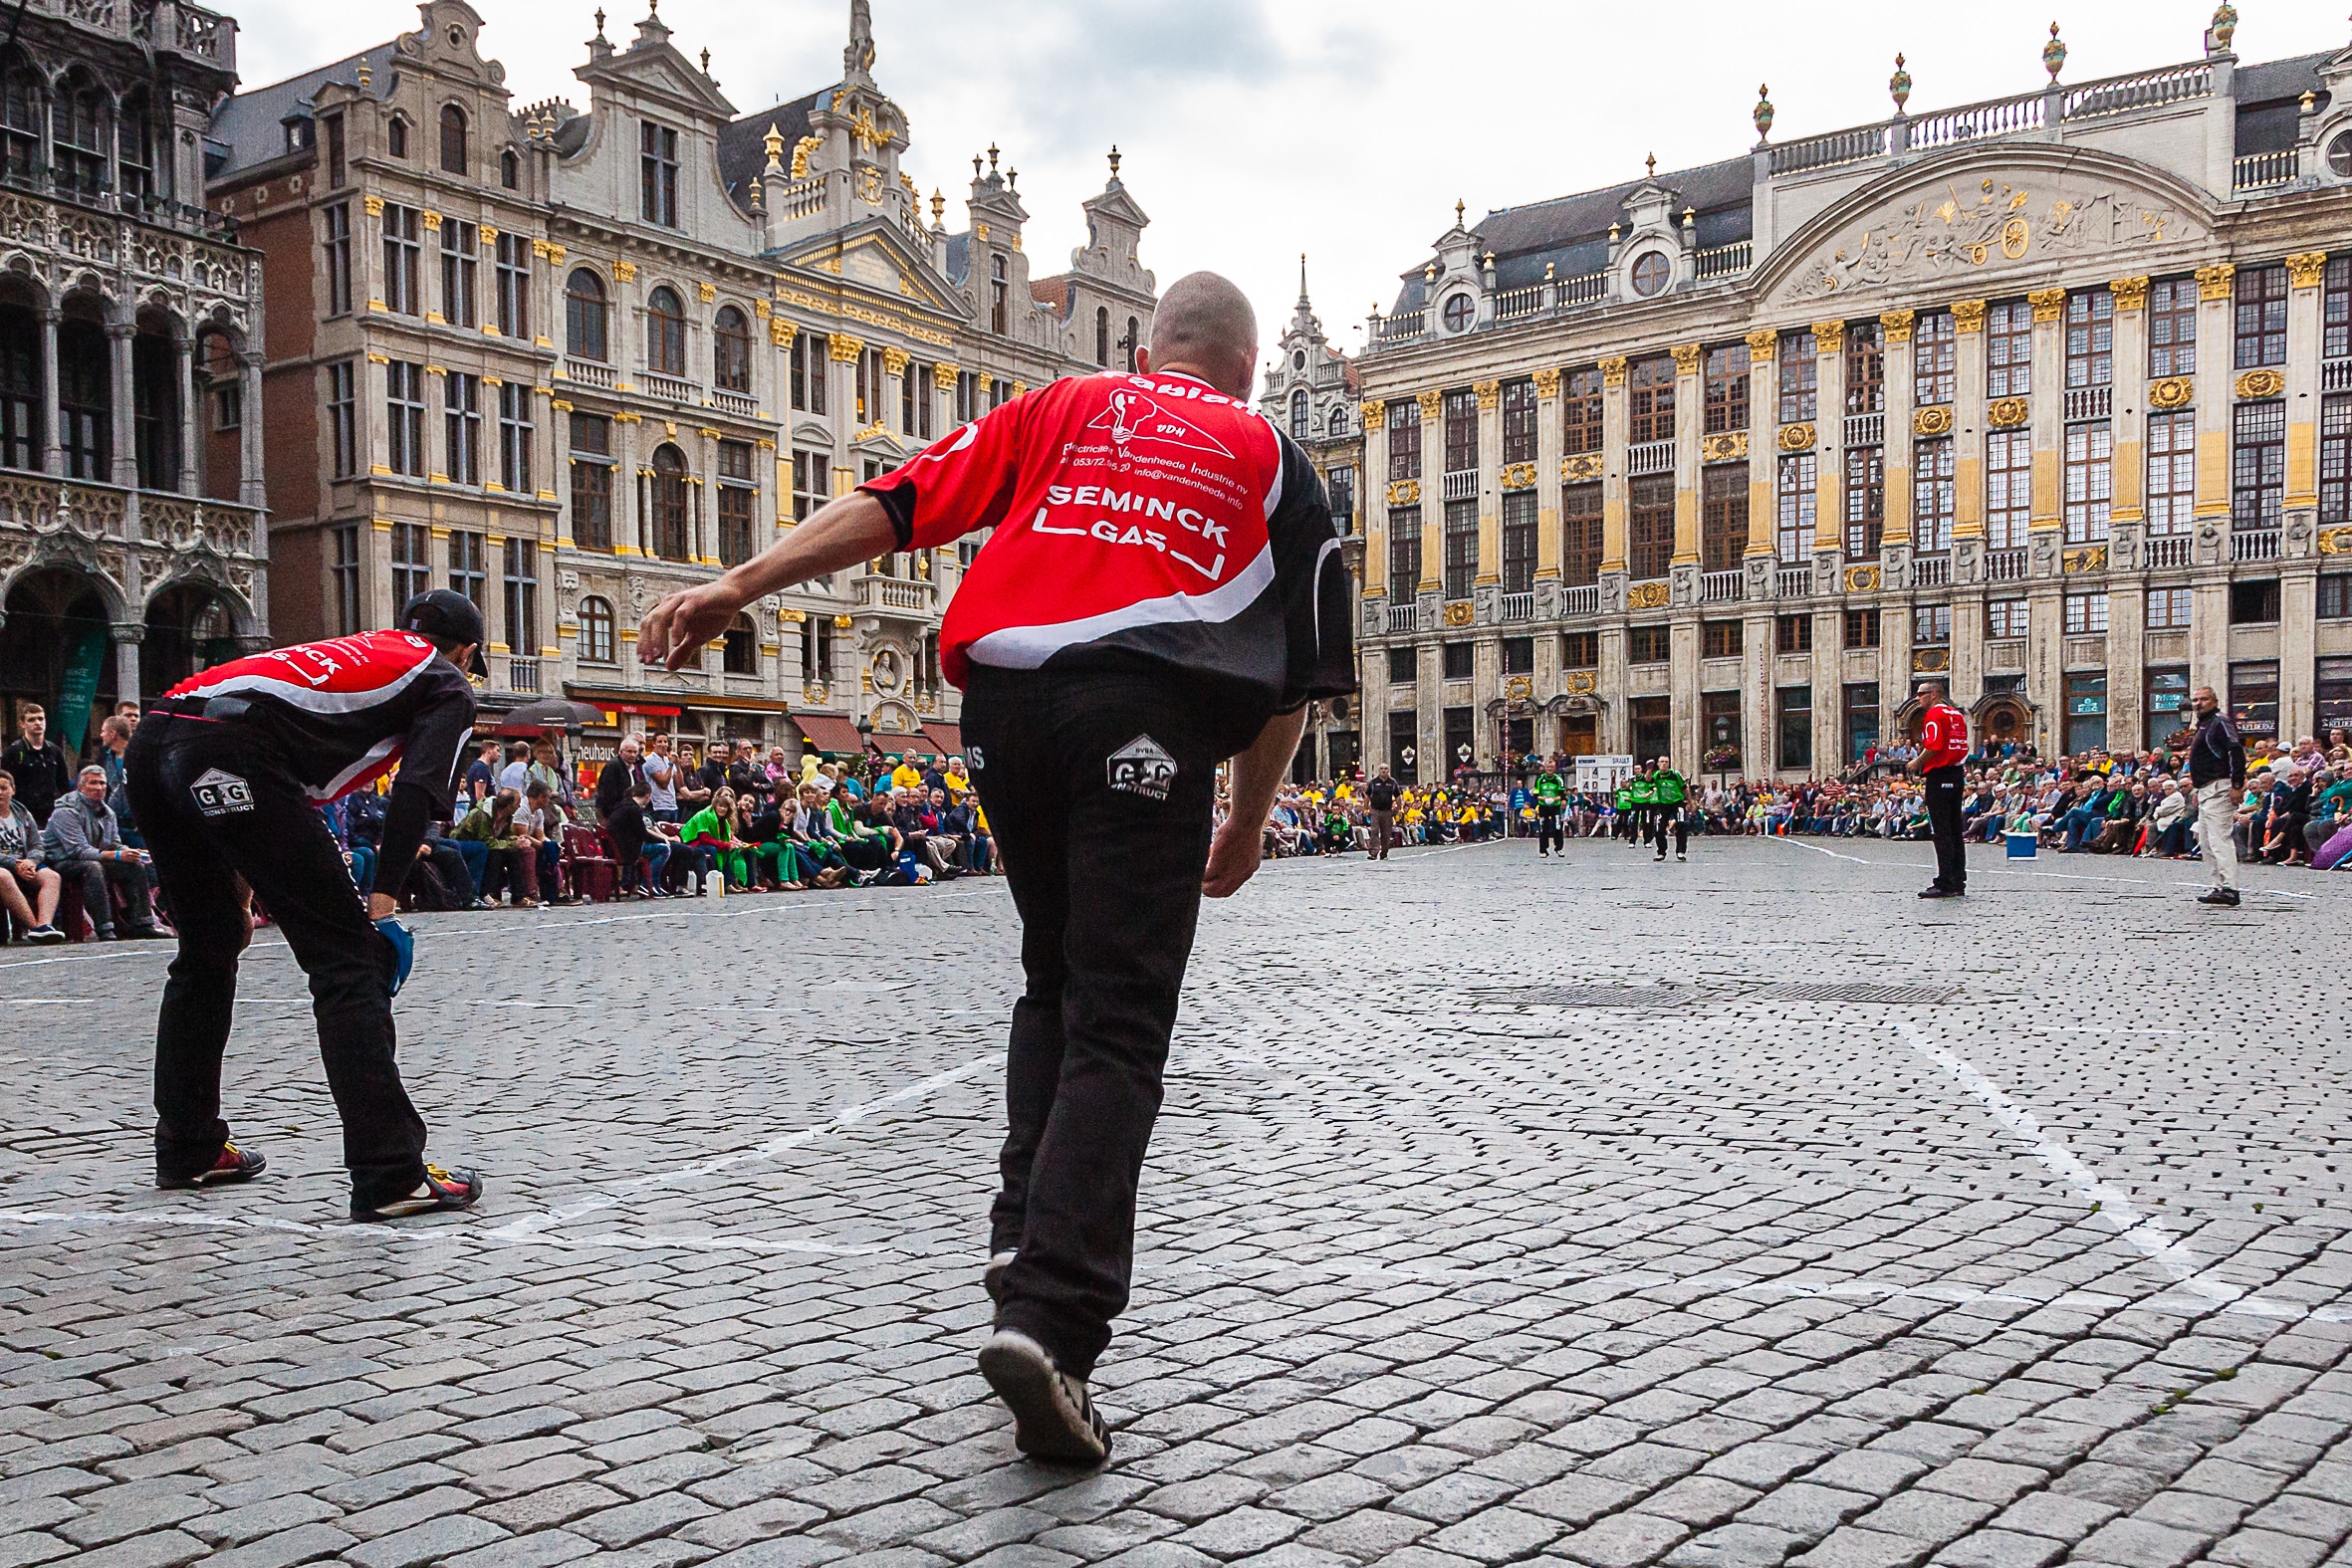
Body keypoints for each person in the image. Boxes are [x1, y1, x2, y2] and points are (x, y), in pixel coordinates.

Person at [636, 271, 1352, 1465]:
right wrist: (1241, 819)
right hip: (1149, 710)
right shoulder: (1275, 455)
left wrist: (737, 585)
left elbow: (897, 500)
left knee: (1051, 983)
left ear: (1154, 344)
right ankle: (1051, 1321)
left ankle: (1023, 1233)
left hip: (1004, 709)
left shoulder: (1062, 407)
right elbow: (1299, 669)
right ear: (1240, 365)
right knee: (1120, 1020)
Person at [124, 590, 485, 1221]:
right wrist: (381, 904)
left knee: (208, 947)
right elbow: (418, 790)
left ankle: (187, 1146)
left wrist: (234, 883)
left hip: (157, 737)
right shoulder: (446, 680)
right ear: (469, 652)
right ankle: (390, 1170)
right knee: (350, 959)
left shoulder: (359, 650)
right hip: (233, 749)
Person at [46, 766, 163, 940]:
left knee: (134, 866)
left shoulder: (107, 812)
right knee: (93, 867)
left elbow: (114, 844)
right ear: (81, 786)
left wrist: (129, 852)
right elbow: (78, 850)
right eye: (93, 783)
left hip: (96, 857)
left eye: (102, 783)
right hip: (63, 861)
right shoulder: (66, 811)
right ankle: (104, 927)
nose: (99, 787)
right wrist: (116, 855)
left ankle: (143, 923)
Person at [2187, 685, 2246, 908]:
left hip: (2220, 787)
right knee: (2206, 840)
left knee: (2219, 837)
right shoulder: (2204, 725)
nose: (2198, 703)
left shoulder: (2220, 721)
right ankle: (2219, 885)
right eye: (2195, 700)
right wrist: (2197, 788)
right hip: (2206, 789)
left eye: (2203, 699)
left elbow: (2235, 749)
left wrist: (2237, 783)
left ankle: (2230, 887)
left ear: (2214, 701)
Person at [1913, 682, 1970, 899]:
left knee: (1941, 830)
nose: (1918, 698)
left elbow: (1934, 745)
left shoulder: (1935, 715)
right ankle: (1958, 880)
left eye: (1921, 694)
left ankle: (1945, 882)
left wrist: (1917, 762)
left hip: (1939, 774)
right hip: (1956, 774)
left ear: (1934, 694)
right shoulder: (1955, 714)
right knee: (1955, 830)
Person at [0, 769, 66, 942]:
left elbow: (37, 844)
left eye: (3, 788)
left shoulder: (22, 814)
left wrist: (31, 861)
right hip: (5, 866)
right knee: (3, 876)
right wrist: (15, 864)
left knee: (52, 877)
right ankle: (34, 927)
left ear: (12, 790)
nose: (0, 793)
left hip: (26, 864)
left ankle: (45, 924)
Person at [4, 703, 73, 830]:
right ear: (22, 724)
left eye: (40, 718)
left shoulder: (54, 751)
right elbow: (4, 784)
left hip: (51, 815)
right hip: (23, 814)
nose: (37, 723)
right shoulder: (14, 751)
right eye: (31, 719)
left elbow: (64, 785)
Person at [1649, 757, 1688, 862]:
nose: (1664, 764)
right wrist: (1649, 769)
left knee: (1681, 824)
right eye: (1662, 762)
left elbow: (1685, 787)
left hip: (1677, 802)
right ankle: (1661, 852)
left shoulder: (1675, 775)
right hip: (1663, 804)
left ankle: (1680, 851)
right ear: (1658, 764)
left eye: (1666, 762)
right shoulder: (1656, 775)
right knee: (1658, 828)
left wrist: (1689, 801)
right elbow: (1648, 780)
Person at [1532, 759, 1566, 857]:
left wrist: (1555, 799)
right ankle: (1543, 850)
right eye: (1548, 767)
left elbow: (1562, 795)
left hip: (1555, 806)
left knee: (1558, 827)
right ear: (1545, 768)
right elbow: (1536, 794)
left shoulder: (1558, 779)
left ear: (1555, 768)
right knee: (1543, 828)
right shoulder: (1540, 779)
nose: (1549, 769)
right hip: (1543, 806)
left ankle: (1559, 848)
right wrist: (1543, 798)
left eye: (1552, 767)